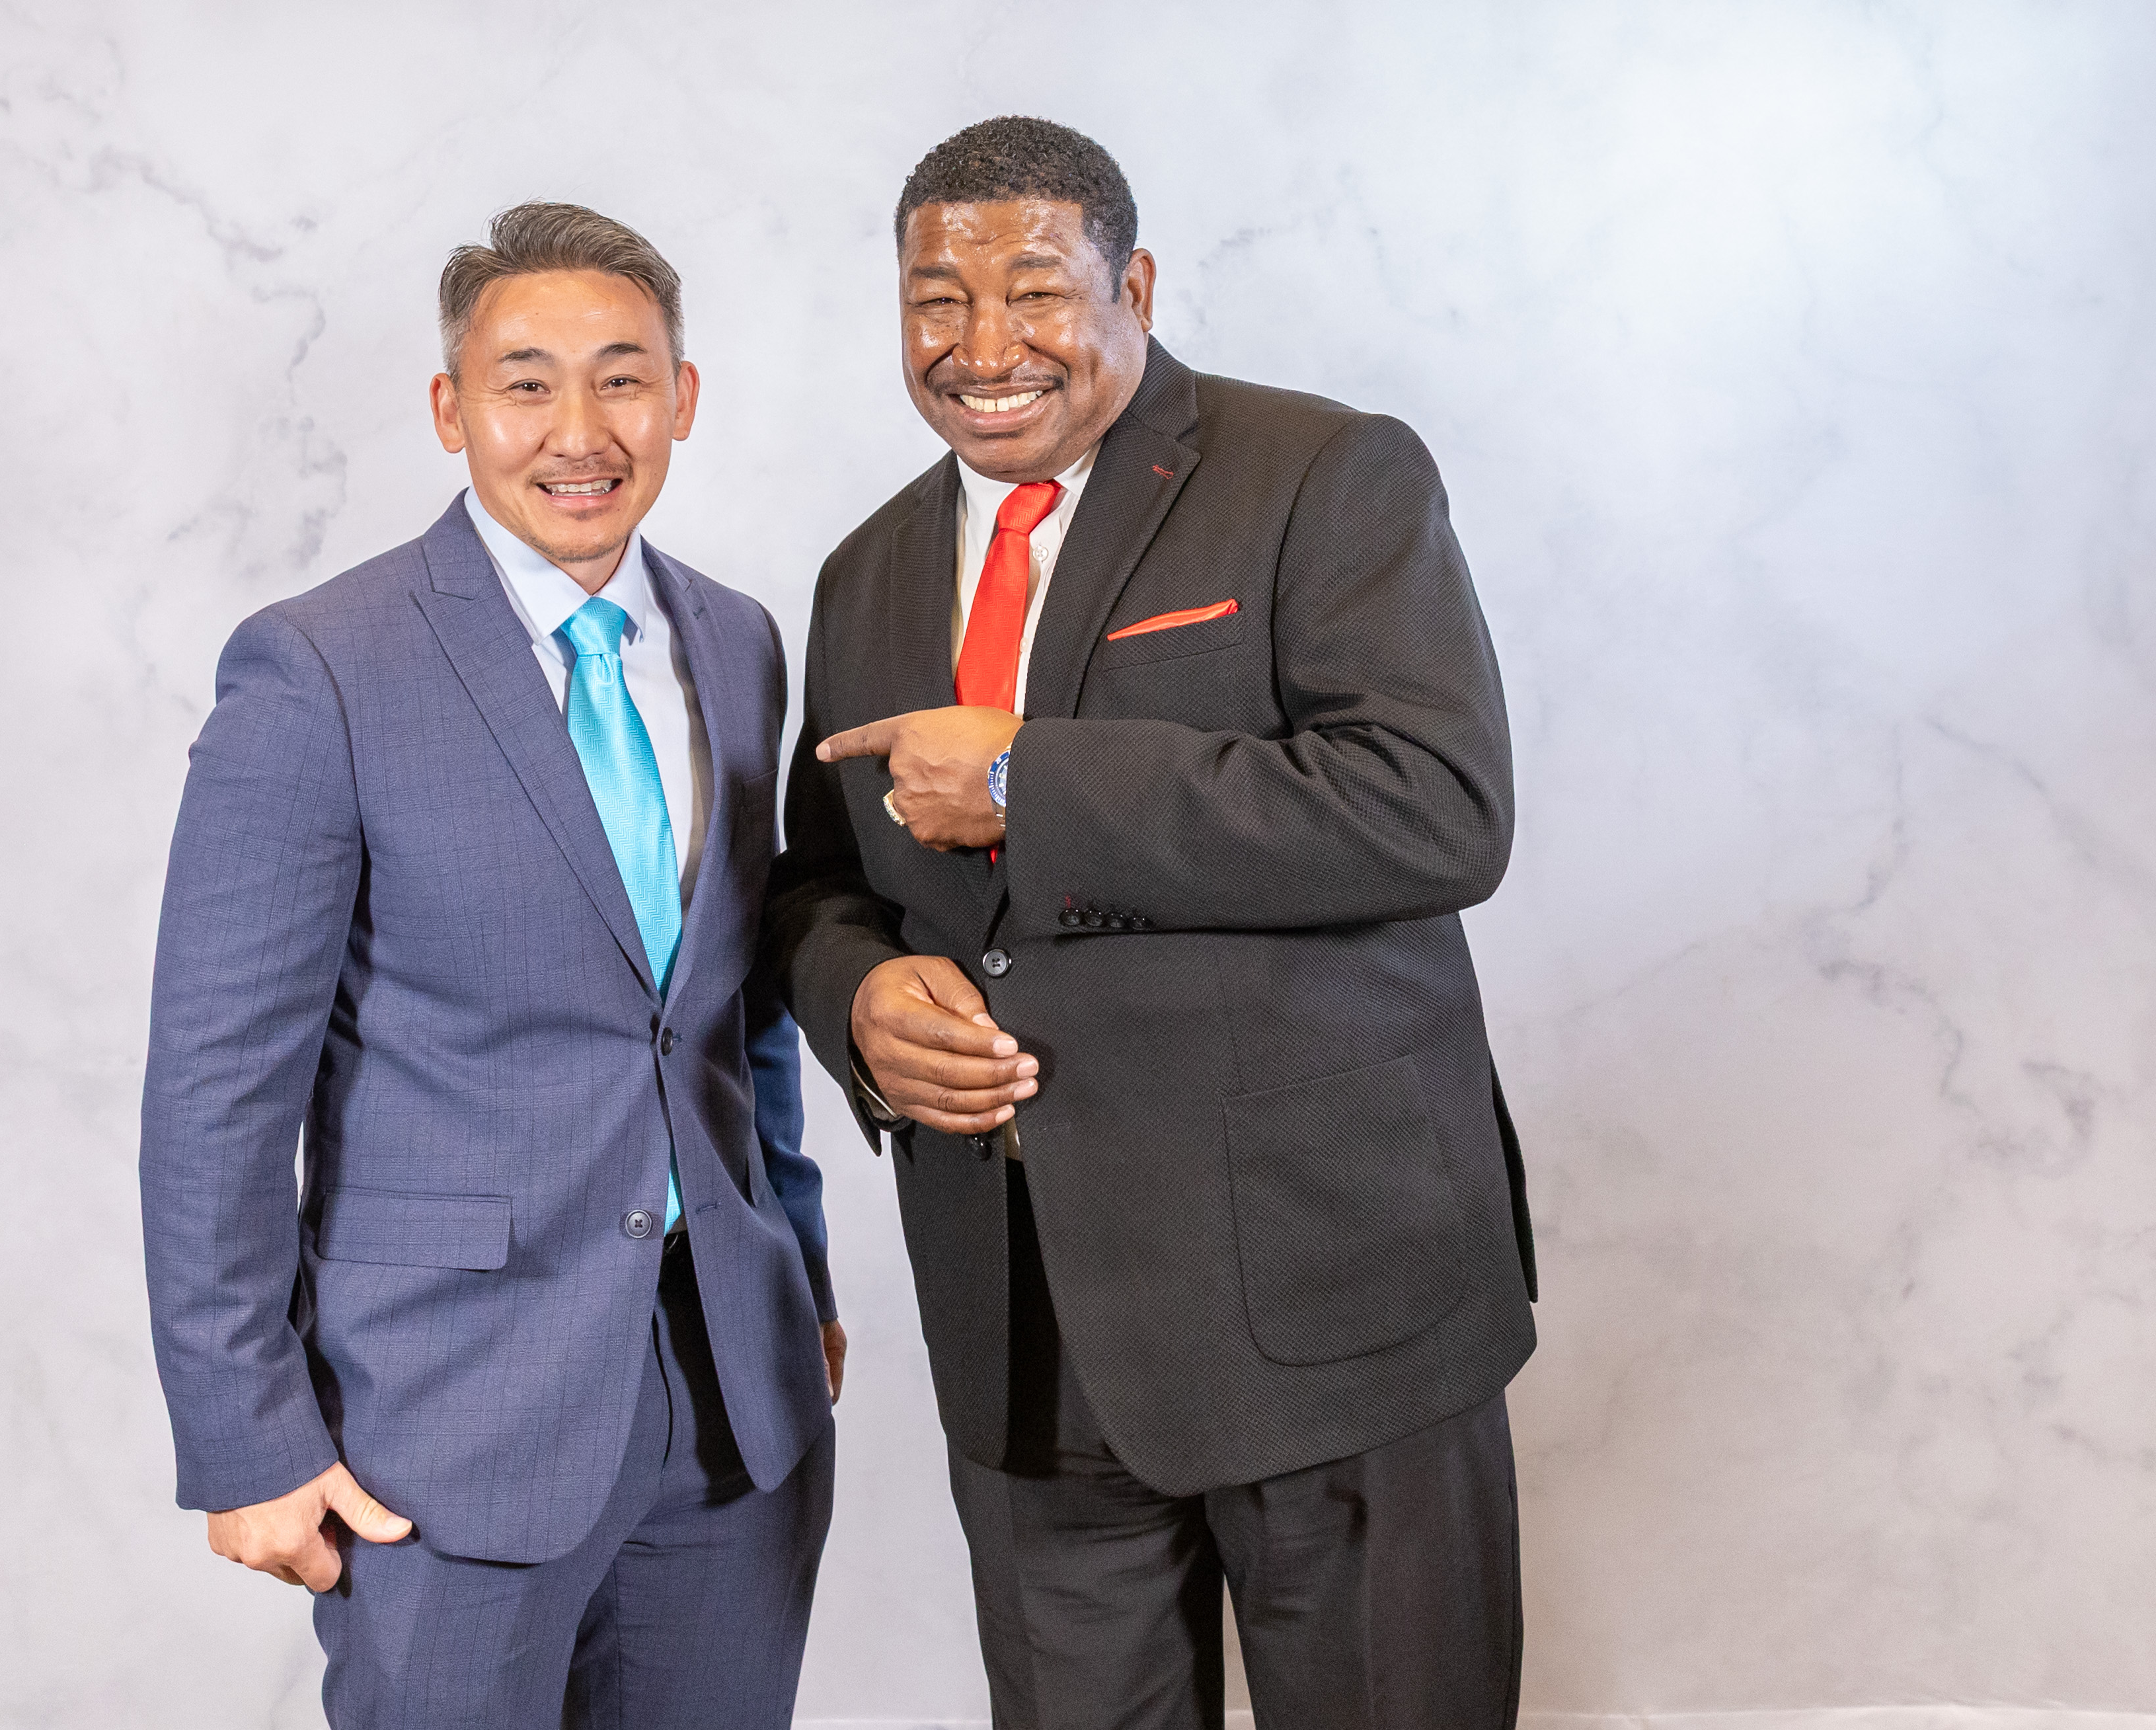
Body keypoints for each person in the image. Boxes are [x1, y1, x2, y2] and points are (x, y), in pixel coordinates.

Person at [765, 117, 1537, 1729]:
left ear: (1135, 287)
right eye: (935, 302)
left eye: (1036, 290)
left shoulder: (1321, 472)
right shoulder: (864, 572)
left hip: (1327, 1301)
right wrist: (858, 1001)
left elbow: (1436, 804)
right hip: (1024, 1331)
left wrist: (1032, 785)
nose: (983, 345)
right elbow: (818, 883)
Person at [141, 202, 839, 1730]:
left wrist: (798, 1265)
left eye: (622, 378)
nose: (579, 431)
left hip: (736, 1408)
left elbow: (738, 1015)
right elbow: (216, 1088)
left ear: (683, 398)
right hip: (441, 1428)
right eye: (527, 383)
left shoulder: (737, 643)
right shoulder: (320, 668)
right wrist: (245, 1436)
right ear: (451, 409)